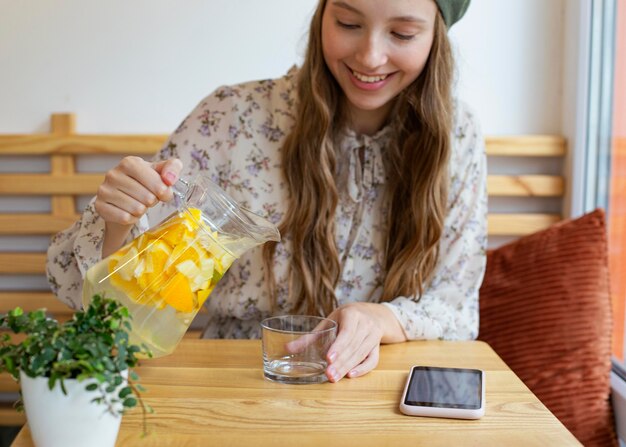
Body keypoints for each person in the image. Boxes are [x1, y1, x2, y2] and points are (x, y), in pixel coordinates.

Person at [47, 0, 486, 383]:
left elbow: (456, 311)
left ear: (436, 37)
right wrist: (116, 224)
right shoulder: (232, 118)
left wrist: (381, 316)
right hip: (228, 383)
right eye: (348, 23)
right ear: (321, 19)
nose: (371, 56)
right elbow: (80, 293)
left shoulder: (456, 137)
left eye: (403, 33)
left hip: (377, 394)